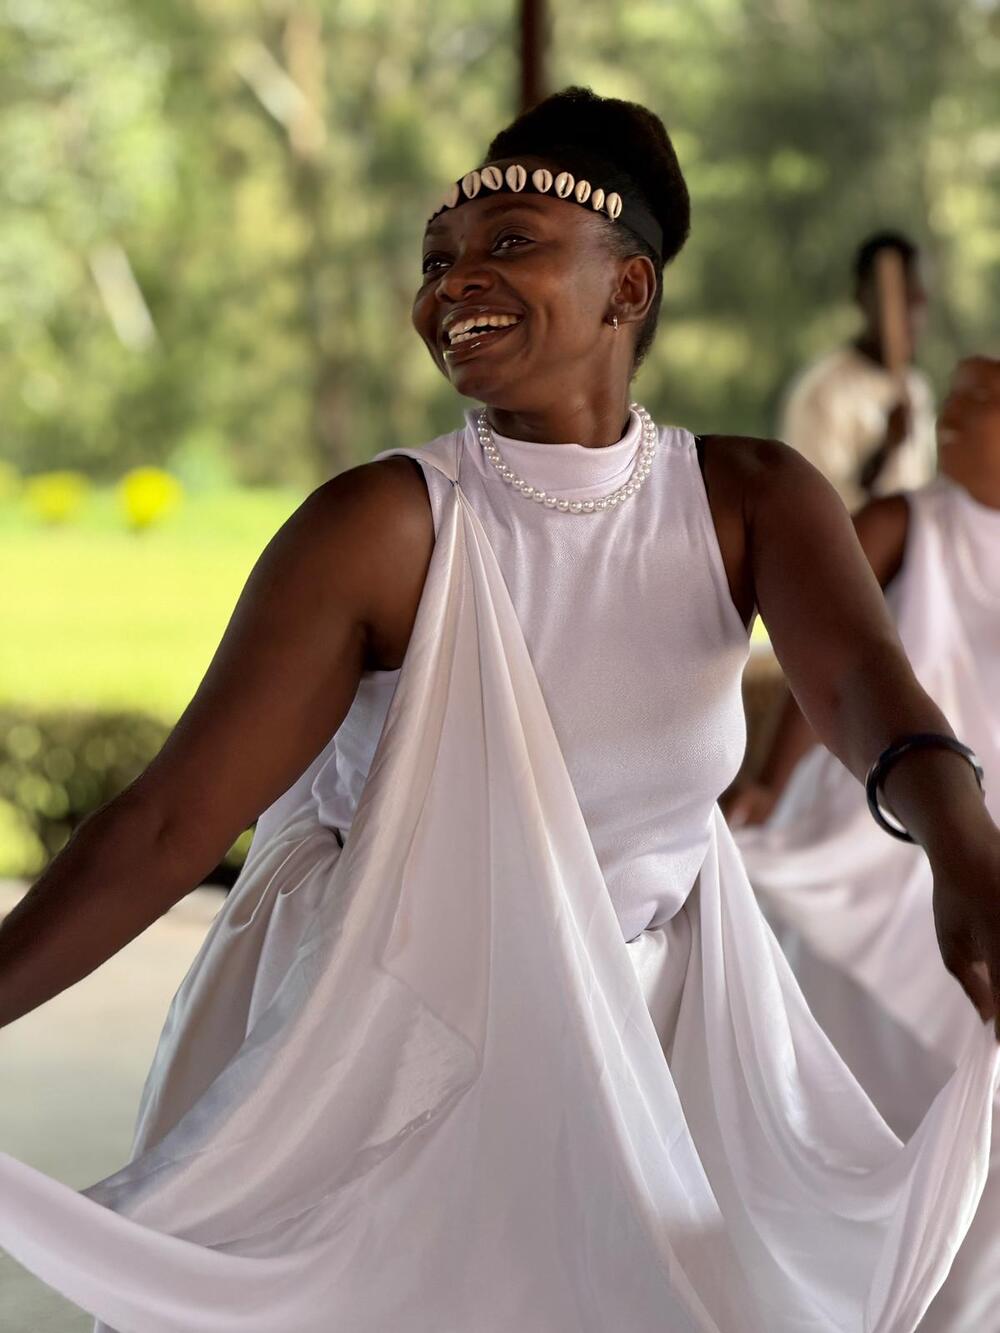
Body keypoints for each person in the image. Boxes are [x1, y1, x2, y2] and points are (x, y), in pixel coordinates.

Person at [1, 89, 999, 1333]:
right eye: (437, 262)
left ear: (627, 288)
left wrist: (965, 846)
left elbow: (864, 691)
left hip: (647, 1046)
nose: (453, 284)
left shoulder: (748, 498)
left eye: (509, 243)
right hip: (394, 1045)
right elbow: (167, 824)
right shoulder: (380, 526)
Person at [730, 355, 1000, 1333]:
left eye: (984, 400)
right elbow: (838, 661)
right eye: (954, 398)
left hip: (984, 815)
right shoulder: (905, 520)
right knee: (848, 1019)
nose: (956, 414)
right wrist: (768, 780)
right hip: (878, 805)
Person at [779, 231, 937, 509]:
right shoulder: (823, 392)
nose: (912, 315)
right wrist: (884, 451)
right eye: (899, 298)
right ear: (862, 297)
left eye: (917, 299)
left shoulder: (916, 387)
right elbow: (814, 508)